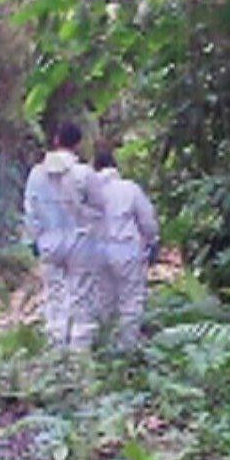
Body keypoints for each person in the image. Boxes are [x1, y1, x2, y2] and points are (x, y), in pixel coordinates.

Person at [23, 122, 106, 350]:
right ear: (77, 145)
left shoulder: (36, 174)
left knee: (54, 296)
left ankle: (55, 349)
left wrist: (32, 240)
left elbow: (31, 211)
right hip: (80, 241)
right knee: (81, 297)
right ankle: (79, 354)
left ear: (56, 140)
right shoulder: (84, 173)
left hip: (48, 241)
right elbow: (100, 208)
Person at [93, 149, 160, 348]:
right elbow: (147, 221)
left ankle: (103, 347)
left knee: (103, 300)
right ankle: (127, 349)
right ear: (115, 167)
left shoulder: (88, 192)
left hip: (96, 252)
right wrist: (153, 241)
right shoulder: (129, 189)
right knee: (131, 301)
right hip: (127, 249)